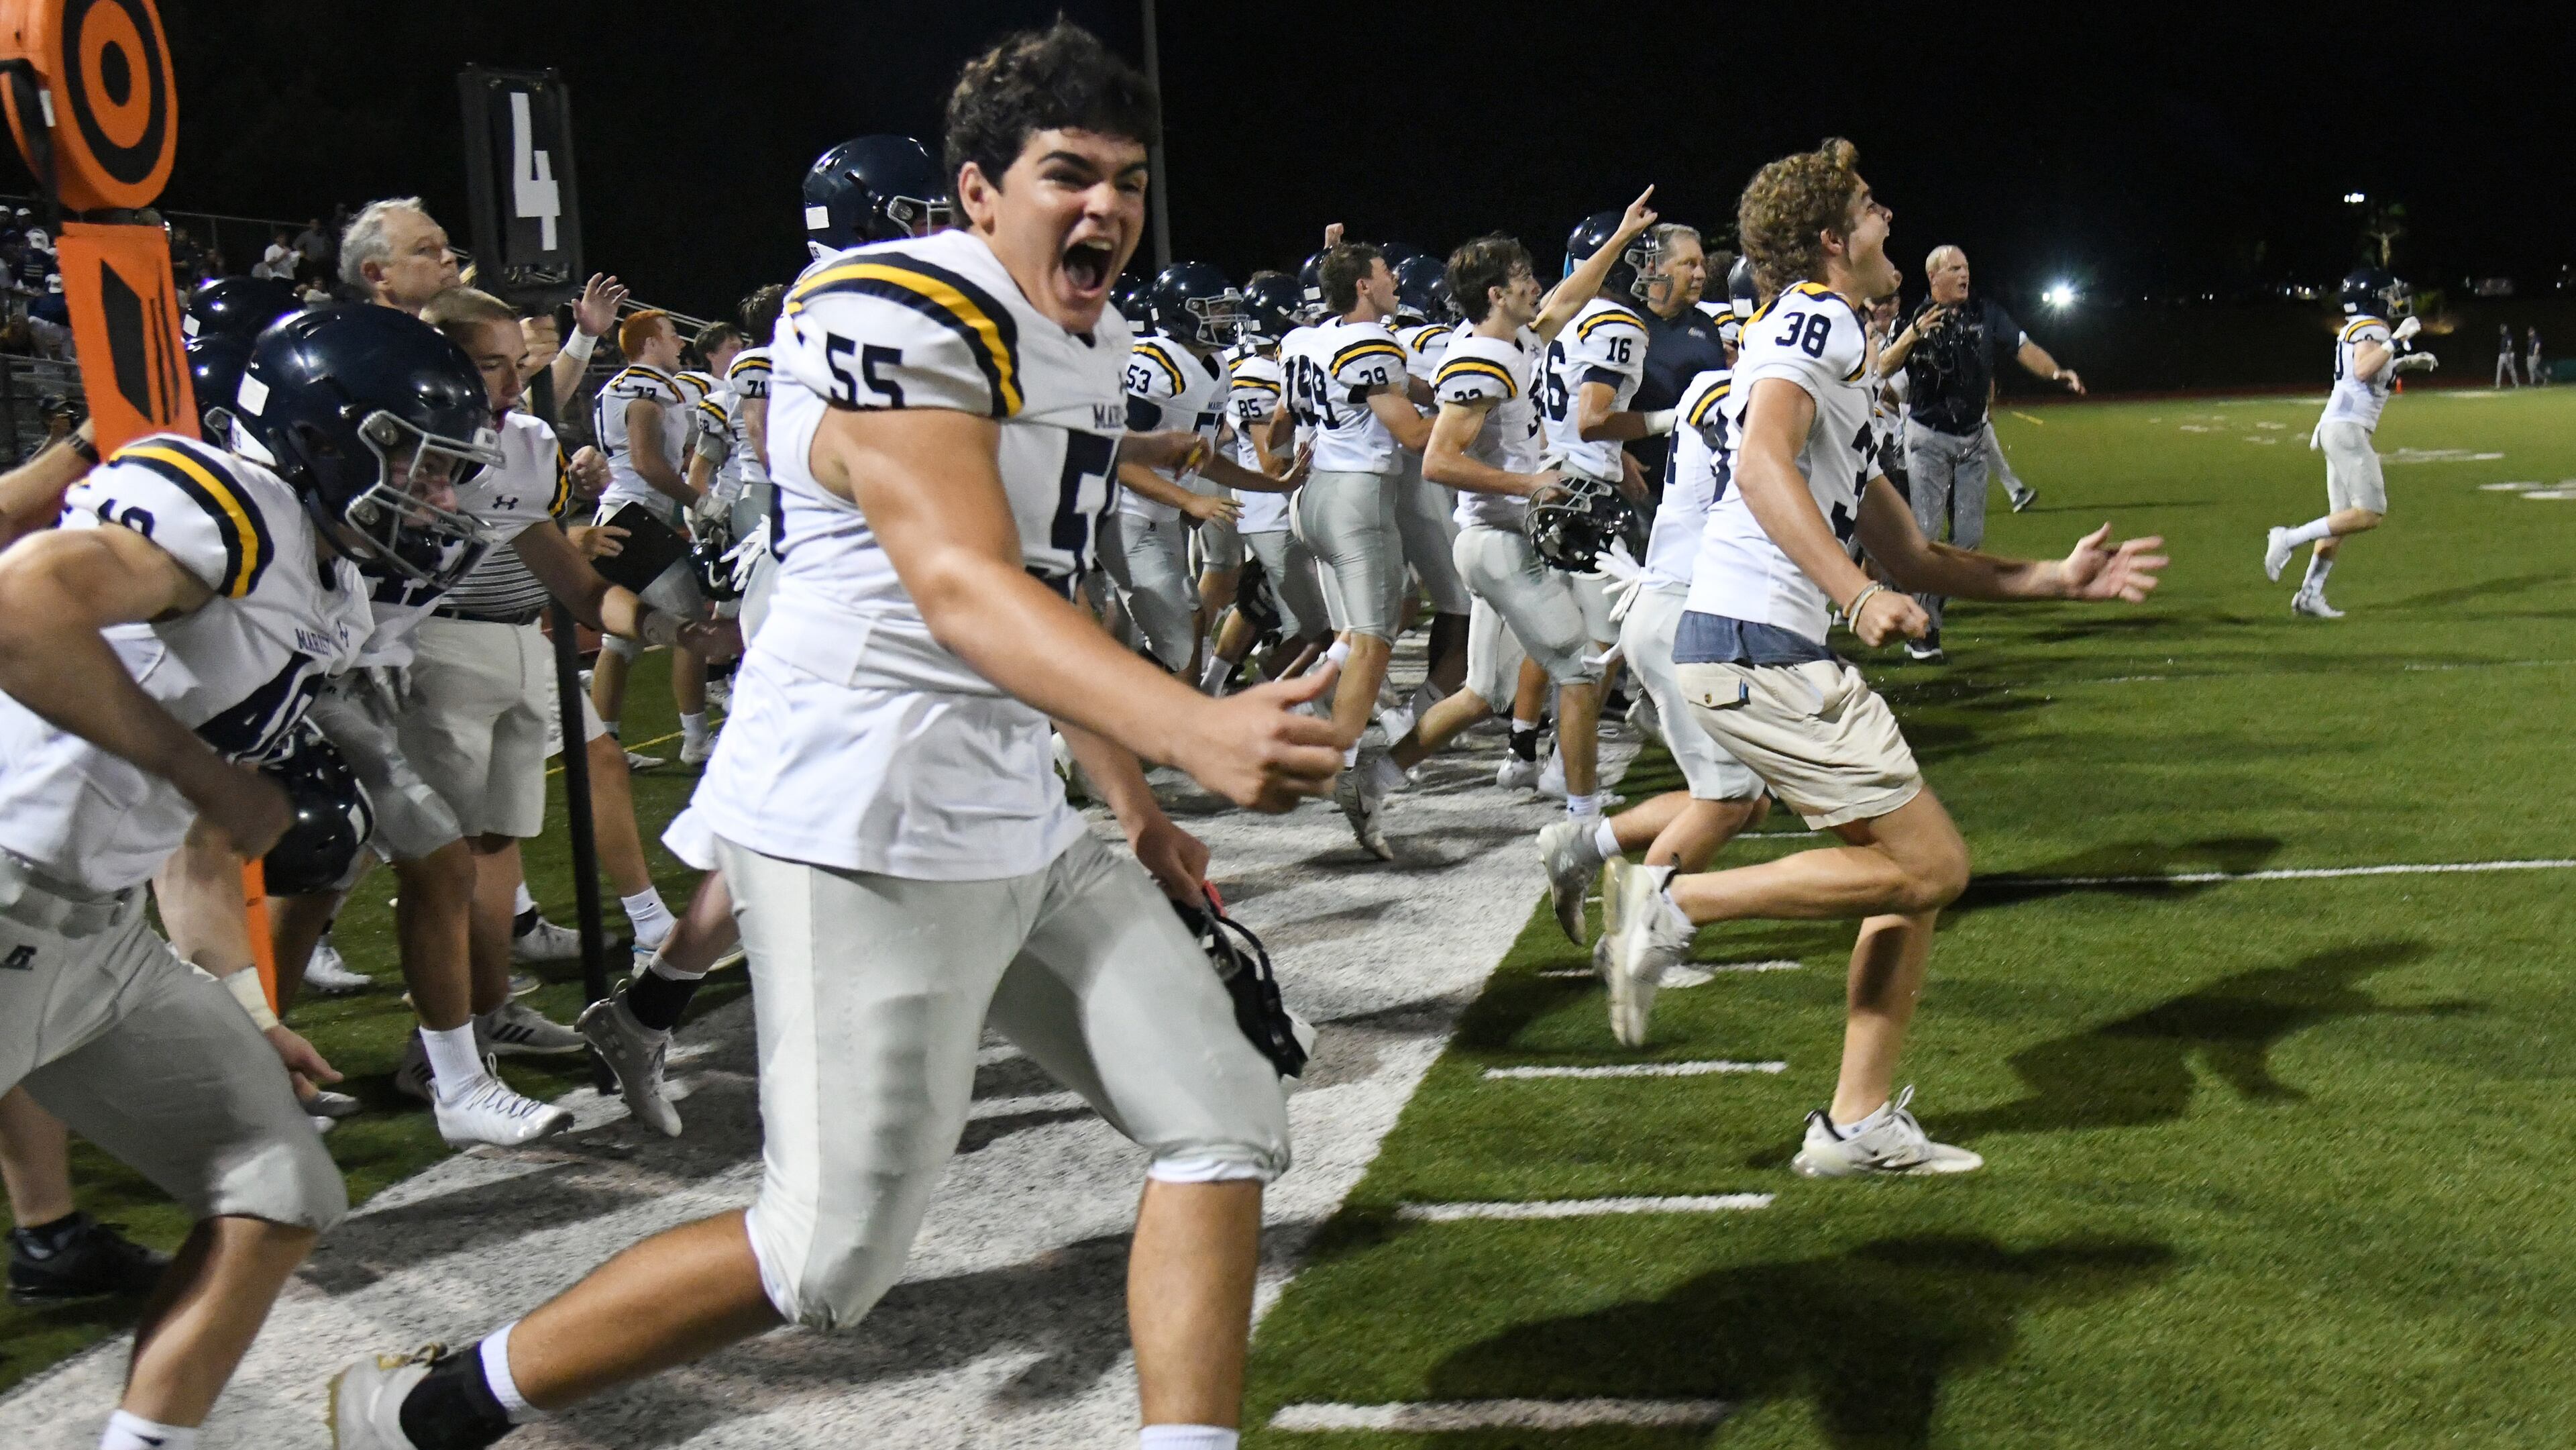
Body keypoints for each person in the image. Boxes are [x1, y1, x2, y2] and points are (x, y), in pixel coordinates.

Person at [329, 23, 1340, 1450]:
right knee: (825, 1259)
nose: (1106, 204)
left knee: (1223, 1114)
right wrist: (1189, 724)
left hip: (1010, 803)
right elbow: (956, 580)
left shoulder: (1087, 337)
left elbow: (1036, 593)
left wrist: (1134, 799)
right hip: (860, 819)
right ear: (977, 193)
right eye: (1069, 173)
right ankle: (434, 1407)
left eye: (1125, 176)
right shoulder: (885, 307)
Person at [1593, 136, 2166, 1177]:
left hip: (1748, 643)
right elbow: (1765, 465)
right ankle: (1672, 900)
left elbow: (1909, 549)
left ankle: (1855, 1125)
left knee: (1908, 878)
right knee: (1934, 865)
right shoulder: (1815, 317)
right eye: (1868, 207)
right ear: (1828, 241)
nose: (1889, 217)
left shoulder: (1833, 344)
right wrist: (1855, 596)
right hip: (1757, 644)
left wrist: (2053, 579)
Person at [0, 304, 508, 1450]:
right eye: (418, 467)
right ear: (324, 437)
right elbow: (20, 604)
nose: (437, 499)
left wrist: (235, 1010)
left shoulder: (315, 585)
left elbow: (182, 842)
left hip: (97, 937)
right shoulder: (228, 502)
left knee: (277, 1182)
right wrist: (201, 770)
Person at [402, 286, 741, 1067]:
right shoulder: (407, 435)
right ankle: (432, 1060)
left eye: (515, 365)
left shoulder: (520, 437)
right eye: (489, 365)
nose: (507, 383)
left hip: (516, 637)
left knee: (486, 847)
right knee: (427, 859)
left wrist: (674, 628)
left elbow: (576, 584)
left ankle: (484, 1020)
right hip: (424, 645)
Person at [1372, 203, 1668, 907]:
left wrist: (1622, 237)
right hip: (1496, 539)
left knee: (1482, 694)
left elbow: (1572, 295)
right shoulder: (1479, 357)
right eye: (1522, 276)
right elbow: (1440, 461)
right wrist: (1529, 482)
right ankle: (1581, 824)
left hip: (1511, 537)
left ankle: (1374, 778)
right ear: (1496, 294)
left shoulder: (1519, 341)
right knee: (1576, 665)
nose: (1538, 284)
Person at [1281, 241, 1437, 856]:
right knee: (1374, 638)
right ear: (1364, 286)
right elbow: (1413, 433)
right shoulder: (1369, 343)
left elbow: (1277, 424)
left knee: (1357, 628)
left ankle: (1302, 712)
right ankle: (1340, 767)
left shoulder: (1306, 341)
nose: (1395, 278)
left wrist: (1437, 389)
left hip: (1314, 495)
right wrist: (1477, 408)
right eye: (1383, 272)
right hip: (1358, 496)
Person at [1873, 245, 2084, 661]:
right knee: (1928, 536)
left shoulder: (1986, 314)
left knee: (1968, 542)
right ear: (1934, 278)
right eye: (1954, 268)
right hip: (1927, 439)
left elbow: (2024, 346)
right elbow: (1883, 366)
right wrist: (1913, 334)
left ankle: (1927, 605)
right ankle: (1925, 632)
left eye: (1966, 266)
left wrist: (2056, 371)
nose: (1964, 274)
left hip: (1971, 439)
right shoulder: (1916, 316)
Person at [586, 308, 720, 768]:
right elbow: (646, 461)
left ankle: (606, 745)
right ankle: (696, 739)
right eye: (671, 335)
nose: (680, 342)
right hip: (635, 515)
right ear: (648, 344)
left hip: (623, 513)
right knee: (690, 625)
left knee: (620, 641)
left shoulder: (630, 387)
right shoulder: (645, 388)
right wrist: (697, 500)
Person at [2261, 268, 2436, 618]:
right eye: (2388, 294)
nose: (2394, 300)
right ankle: (2288, 538)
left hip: (2338, 427)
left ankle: (2309, 594)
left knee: (2340, 519)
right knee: (2370, 513)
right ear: (2373, 298)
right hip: (2346, 429)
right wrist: (2397, 341)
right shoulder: (2374, 328)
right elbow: (2362, 369)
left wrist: (2403, 363)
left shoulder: (2358, 328)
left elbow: (2368, 374)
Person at [1630, 221, 1729, 494]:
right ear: (1654, 268)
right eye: (1689, 264)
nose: (1700, 274)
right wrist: (1614, 458)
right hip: (1643, 484)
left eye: (1702, 264)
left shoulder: (1707, 325)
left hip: (1701, 483)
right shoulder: (1627, 325)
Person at [2493, 323, 2519, 387]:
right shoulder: (2503, 337)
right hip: (2502, 354)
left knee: (2511, 369)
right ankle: (2498, 384)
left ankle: (2516, 383)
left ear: (2505, 329)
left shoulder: (2508, 336)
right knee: (2499, 369)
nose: (2501, 330)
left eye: (2502, 329)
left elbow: (2509, 346)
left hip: (2508, 354)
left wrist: (2507, 355)